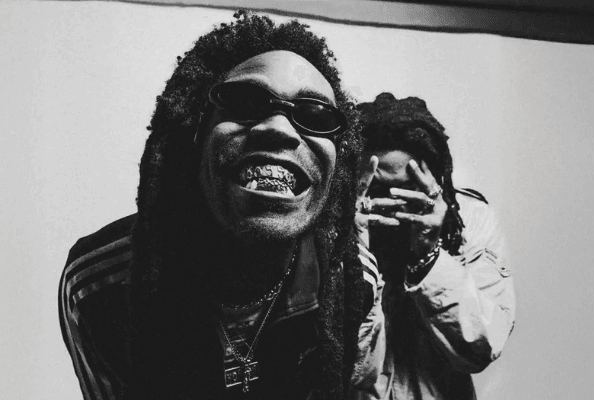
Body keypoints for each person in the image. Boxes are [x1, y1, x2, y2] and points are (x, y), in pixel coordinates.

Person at [58, 11, 382, 400]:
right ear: (193, 135)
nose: (279, 128)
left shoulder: (352, 280)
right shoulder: (100, 286)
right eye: (244, 102)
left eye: (315, 115)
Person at [350, 93, 515, 399]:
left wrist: (428, 255)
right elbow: (351, 370)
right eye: (378, 188)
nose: (394, 202)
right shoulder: (327, 220)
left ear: (436, 177)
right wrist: (353, 248)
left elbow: (480, 349)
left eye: (407, 189)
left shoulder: (469, 219)